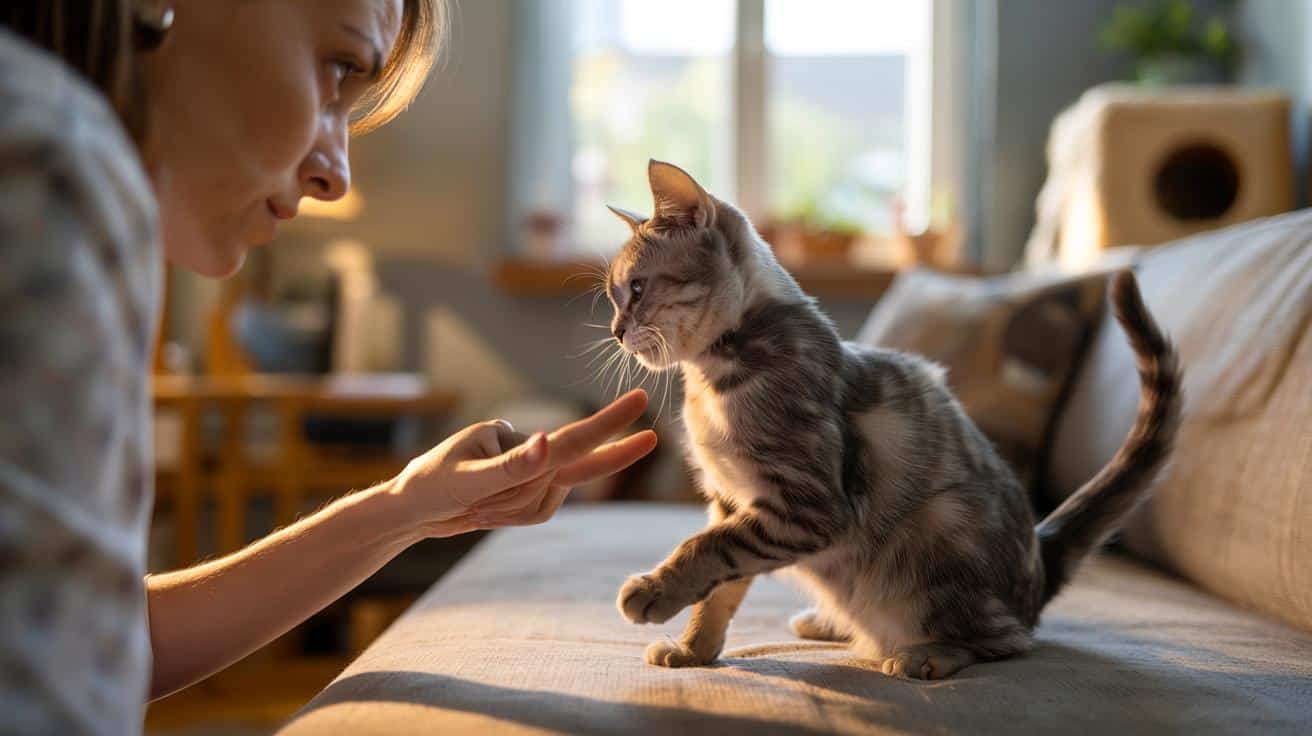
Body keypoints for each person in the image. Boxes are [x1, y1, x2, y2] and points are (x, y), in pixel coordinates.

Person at [0, 2, 658, 733]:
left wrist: (409, 506)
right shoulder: (47, 163)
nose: (336, 177)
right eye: (339, 67)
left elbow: (104, 642)